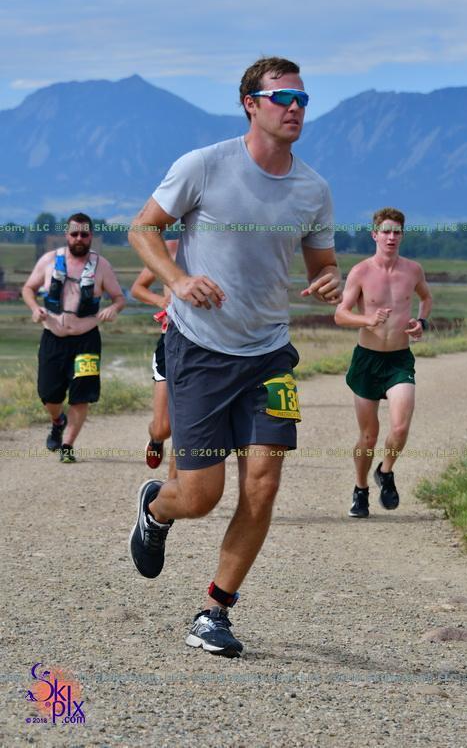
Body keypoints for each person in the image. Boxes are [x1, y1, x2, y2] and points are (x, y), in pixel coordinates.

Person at [127, 56, 342, 658]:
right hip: (199, 350)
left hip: (270, 356)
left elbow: (323, 264)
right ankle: (157, 507)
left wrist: (331, 279)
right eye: (282, 98)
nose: (295, 108)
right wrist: (177, 279)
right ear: (250, 103)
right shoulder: (204, 165)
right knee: (200, 495)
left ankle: (215, 611)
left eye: (302, 98)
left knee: (264, 484)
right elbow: (143, 229)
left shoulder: (313, 189)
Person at [334, 207, 433, 518]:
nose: (391, 237)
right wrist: (367, 319)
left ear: (402, 235)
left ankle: (385, 471)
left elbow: (426, 298)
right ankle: (360, 489)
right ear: (374, 234)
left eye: (397, 232)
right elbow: (340, 314)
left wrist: (421, 322)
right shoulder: (361, 271)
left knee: (400, 427)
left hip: (399, 360)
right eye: (386, 231)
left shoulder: (413, 270)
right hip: (367, 360)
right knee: (369, 436)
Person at [22, 213, 125, 462]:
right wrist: (35, 309)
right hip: (53, 337)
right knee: (49, 394)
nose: (79, 238)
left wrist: (113, 308)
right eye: (74, 233)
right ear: (66, 235)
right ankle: (58, 420)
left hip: (86, 340)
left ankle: (67, 446)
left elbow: (119, 297)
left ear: (91, 236)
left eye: (84, 234)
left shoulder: (101, 266)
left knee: (81, 395)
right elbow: (28, 288)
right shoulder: (49, 260)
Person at [130, 239, 178, 475]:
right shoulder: (169, 249)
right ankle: (156, 440)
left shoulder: (223, 248)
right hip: (172, 340)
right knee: (163, 429)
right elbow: (138, 288)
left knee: (187, 424)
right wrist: (161, 300)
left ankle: (176, 486)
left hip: (210, 344)